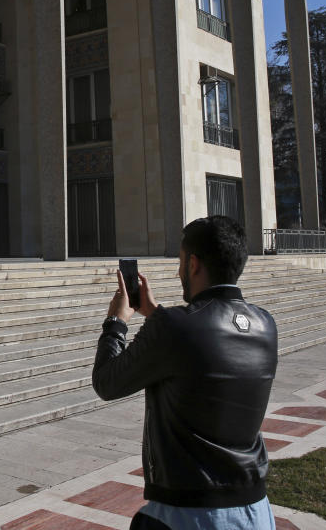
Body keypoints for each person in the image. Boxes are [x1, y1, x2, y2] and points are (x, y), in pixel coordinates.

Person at [92, 216, 278, 529]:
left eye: (180, 262)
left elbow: (107, 382)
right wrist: (155, 315)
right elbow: (203, 355)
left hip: (190, 512)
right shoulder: (265, 324)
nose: (179, 273)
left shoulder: (173, 328)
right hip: (255, 510)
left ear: (193, 264)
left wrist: (115, 323)